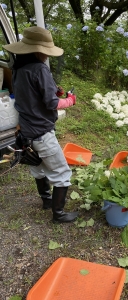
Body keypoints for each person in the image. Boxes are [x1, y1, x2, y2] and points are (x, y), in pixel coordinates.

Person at [3, 26, 78, 223]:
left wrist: (56, 91)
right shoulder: (39, 69)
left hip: (26, 132)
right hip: (42, 132)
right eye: (45, 50)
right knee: (61, 172)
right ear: (37, 50)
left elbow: (33, 95)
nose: (46, 54)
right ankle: (59, 214)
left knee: (39, 168)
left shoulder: (18, 69)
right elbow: (51, 103)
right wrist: (70, 100)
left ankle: (46, 201)